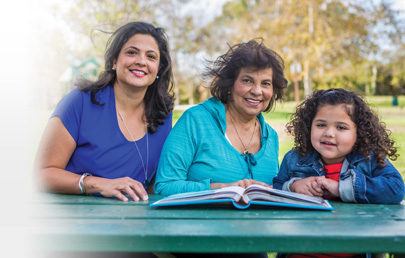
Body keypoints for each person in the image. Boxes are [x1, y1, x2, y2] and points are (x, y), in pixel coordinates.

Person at [34, 21, 175, 202]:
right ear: (115, 61)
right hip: (74, 218)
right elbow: (41, 175)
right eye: (132, 52)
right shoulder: (80, 101)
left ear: (158, 69)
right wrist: (99, 184)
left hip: (132, 222)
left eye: (151, 56)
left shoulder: (162, 114)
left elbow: (153, 184)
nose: (141, 61)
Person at [273, 88, 405, 258]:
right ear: (309, 126)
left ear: (359, 133)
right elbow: (274, 191)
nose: (329, 133)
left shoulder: (368, 159)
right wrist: (292, 187)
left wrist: (342, 188)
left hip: (352, 252)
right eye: (321, 125)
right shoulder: (295, 158)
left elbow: (396, 188)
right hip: (301, 251)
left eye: (341, 127)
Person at [154, 39, 288, 197]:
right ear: (229, 84)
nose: (257, 91)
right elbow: (165, 186)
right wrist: (224, 189)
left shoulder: (270, 137)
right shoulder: (196, 121)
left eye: (266, 83)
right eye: (247, 80)